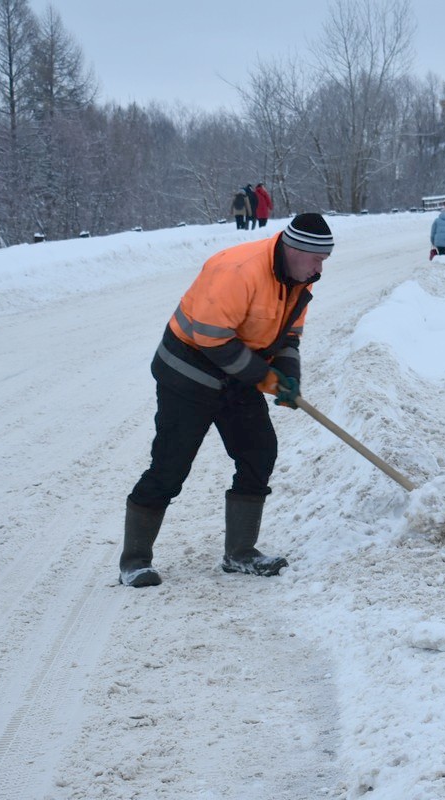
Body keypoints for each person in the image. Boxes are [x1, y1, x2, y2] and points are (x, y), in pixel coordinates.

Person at [119, 213, 335, 587]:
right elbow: (211, 337)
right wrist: (265, 377)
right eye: (317, 259)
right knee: (171, 465)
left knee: (258, 452)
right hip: (188, 372)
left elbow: (288, 337)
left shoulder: (301, 283)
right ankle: (134, 560)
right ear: (294, 250)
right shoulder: (239, 270)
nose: (320, 268)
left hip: (235, 376)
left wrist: (288, 377)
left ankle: (240, 553)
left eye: (324, 261)